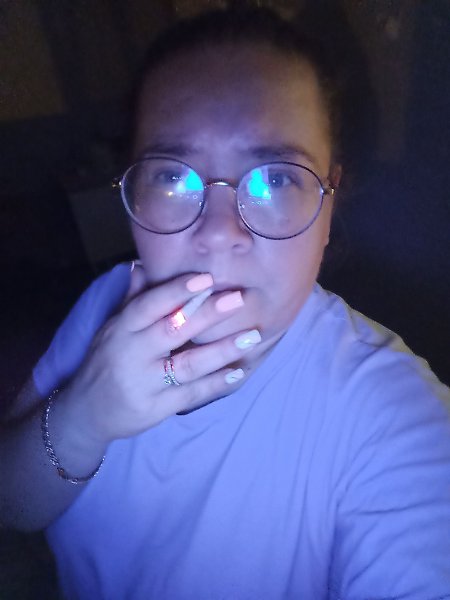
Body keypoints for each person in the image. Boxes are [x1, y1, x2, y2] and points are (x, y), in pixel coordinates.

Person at [1, 7, 450, 599]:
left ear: (329, 202)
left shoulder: (396, 415)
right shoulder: (104, 302)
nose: (218, 233)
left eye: (275, 178)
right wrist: (86, 415)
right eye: (173, 177)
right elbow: (13, 505)